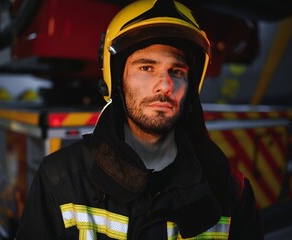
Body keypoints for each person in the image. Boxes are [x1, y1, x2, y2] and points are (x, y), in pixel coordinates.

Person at [15, 0, 264, 239]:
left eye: (176, 72)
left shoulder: (231, 191)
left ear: (190, 86)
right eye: (146, 68)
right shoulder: (59, 179)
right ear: (117, 80)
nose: (164, 85)